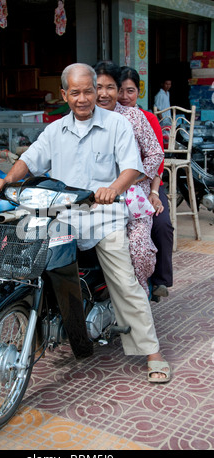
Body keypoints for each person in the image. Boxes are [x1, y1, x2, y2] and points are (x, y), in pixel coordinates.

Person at [0, 63, 171, 383]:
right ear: (64, 94)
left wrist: (113, 188)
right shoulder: (55, 130)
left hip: (103, 217)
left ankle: (152, 351)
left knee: (125, 282)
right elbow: (29, 160)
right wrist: (6, 179)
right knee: (24, 251)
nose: (84, 98)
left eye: (89, 91)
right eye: (76, 92)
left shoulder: (117, 124)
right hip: (61, 215)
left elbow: (132, 167)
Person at [94, 60, 165, 297]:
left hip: (134, 197)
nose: (104, 94)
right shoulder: (84, 117)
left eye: (110, 87)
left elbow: (156, 153)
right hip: (97, 199)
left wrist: (133, 178)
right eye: (98, 87)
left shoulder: (134, 116)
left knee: (140, 249)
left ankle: (141, 297)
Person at [114, 65, 174, 299]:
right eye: (120, 90)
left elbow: (157, 158)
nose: (124, 97)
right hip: (117, 188)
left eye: (130, 91)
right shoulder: (108, 116)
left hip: (148, 184)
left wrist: (154, 192)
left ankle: (159, 280)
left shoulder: (146, 118)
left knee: (161, 224)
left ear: (138, 92)